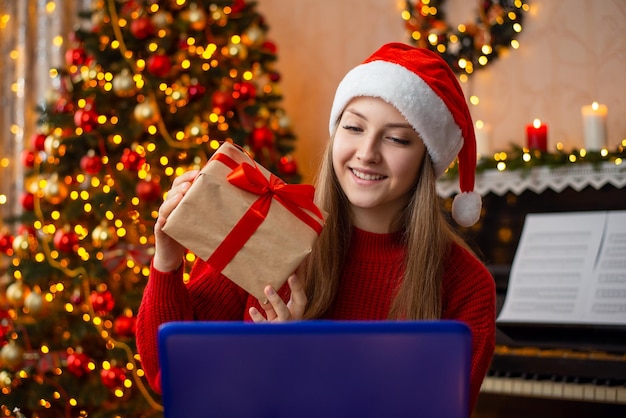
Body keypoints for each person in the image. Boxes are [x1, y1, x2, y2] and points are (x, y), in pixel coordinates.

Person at [136, 42, 496, 413]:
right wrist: (167, 261)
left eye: (396, 138)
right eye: (353, 127)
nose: (367, 152)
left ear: (427, 158)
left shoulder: (466, 284)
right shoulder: (264, 226)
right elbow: (168, 373)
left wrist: (295, 363)